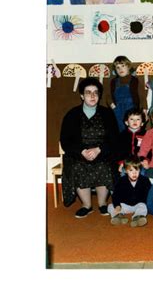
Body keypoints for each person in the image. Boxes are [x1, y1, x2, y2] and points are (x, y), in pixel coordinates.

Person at [60, 77, 119, 218]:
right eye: (88, 92)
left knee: (104, 165)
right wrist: (82, 151)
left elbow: (114, 139)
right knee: (77, 167)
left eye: (95, 93)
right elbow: (65, 140)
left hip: (102, 151)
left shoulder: (107, 114)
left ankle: (102, 203)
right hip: (78, 153)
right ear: (82, 95)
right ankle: (86, 205)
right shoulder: (72, 114)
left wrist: (99, 149)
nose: (92, 96)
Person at [108, 157, 151, 227]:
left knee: (143, 206)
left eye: (136, 170)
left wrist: (146, 202)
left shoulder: (145, 180)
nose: (134, 173)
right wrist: (117, 206)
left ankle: (138, 217)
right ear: (125, 171)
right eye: (131, 170)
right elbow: (115, 194)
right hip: (125, 205)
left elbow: (150, 194)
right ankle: (118, 216)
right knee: (110, 206)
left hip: (138, 204)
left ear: (140, 170)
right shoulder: (121, 180)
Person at [107, 55, 140, 132]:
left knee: (132, 131)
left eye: (122, 66)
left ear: (128, 67)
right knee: (119, 131)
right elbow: (108, 96)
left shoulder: (135, 80)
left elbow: (141, 96)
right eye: (118, 67)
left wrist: (144, 110)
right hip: (118, 110)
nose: (120, 69)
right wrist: (113, 106)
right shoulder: (114, 82)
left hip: (132, 110)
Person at [115, 108, 147, 176]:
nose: (135, 121)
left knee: (142, 176)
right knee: (123, 177)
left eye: (138, 119)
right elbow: (118, 151)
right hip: (126, 163)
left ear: (142, 123)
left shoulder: (146, 135)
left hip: (140, 163)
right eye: (132, 119)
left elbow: (150, 149)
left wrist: (146, 160)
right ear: (126, 122)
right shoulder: (122, 135)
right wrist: (121, 162)